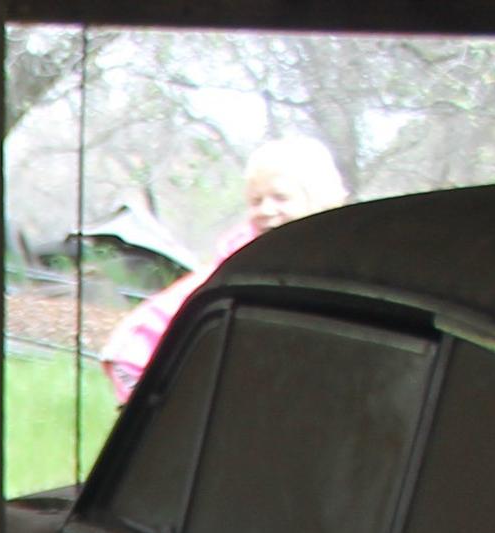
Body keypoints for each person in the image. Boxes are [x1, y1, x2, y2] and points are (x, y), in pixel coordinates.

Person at [99, 134, 348, 399]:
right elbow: (140, 337)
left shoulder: (337, 269)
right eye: (256, 201)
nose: (265, 209)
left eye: (280, 197)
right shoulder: (237, 269)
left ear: (320, 201)